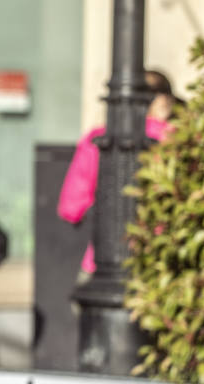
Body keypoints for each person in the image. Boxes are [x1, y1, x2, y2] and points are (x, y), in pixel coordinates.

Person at [57, 68, 179, 276]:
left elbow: (71, 206)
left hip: (105, 257)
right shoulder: (177, 140)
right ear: (162, 101)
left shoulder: (98, 138)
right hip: (163, 258)